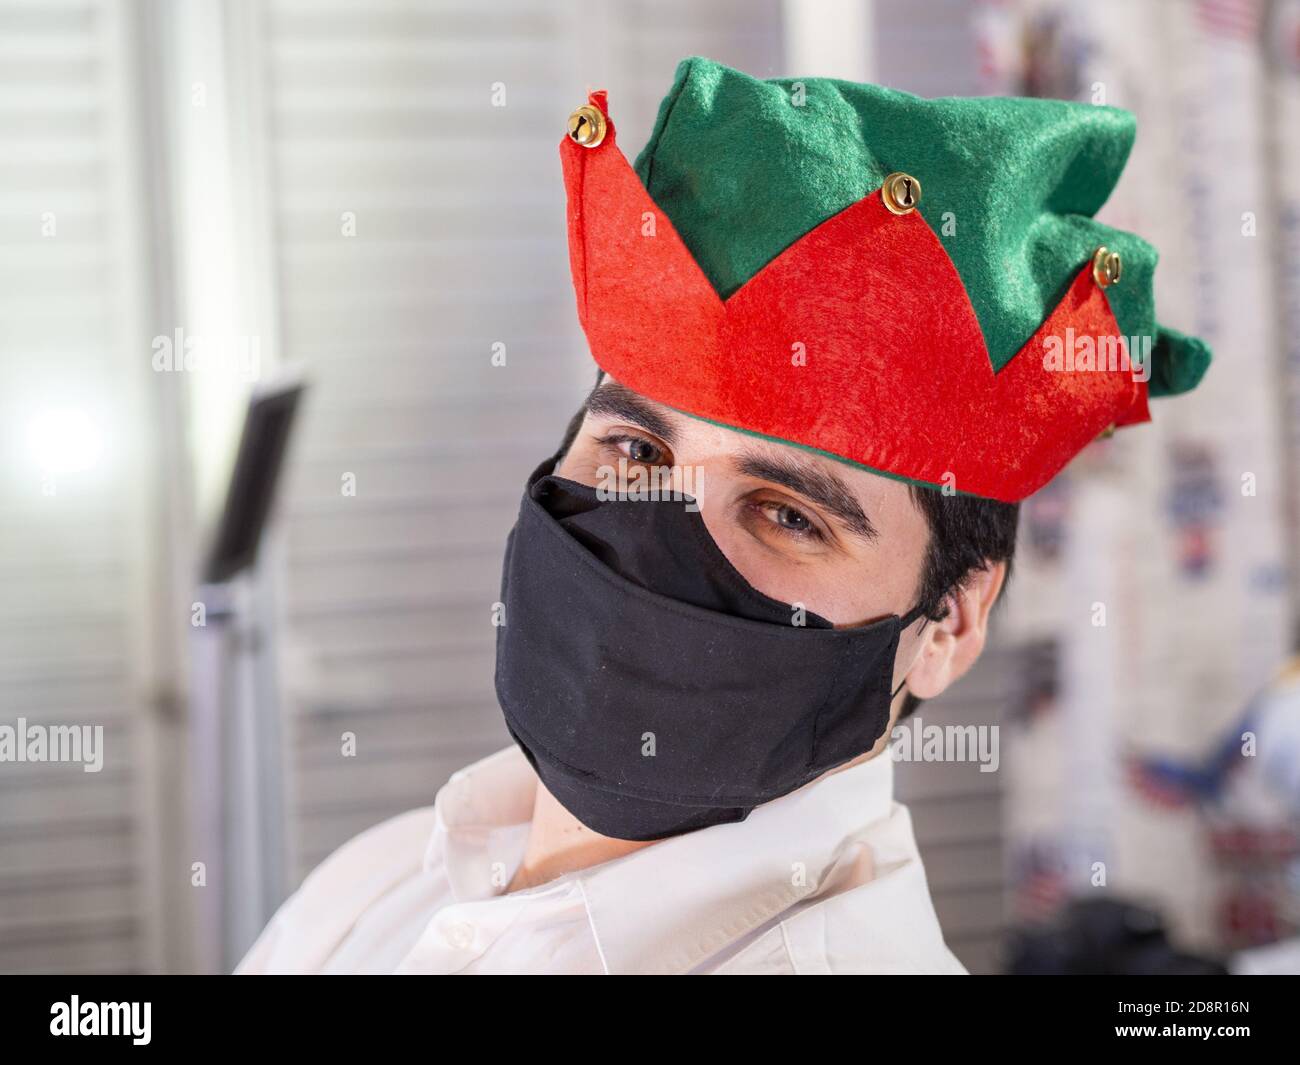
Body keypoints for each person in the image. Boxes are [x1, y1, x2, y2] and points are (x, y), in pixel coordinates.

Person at [236, 56, 1209, 975]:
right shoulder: (380, 876)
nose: (654, 537)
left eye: (788, 514)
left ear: (947, 623)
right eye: (635, 452)